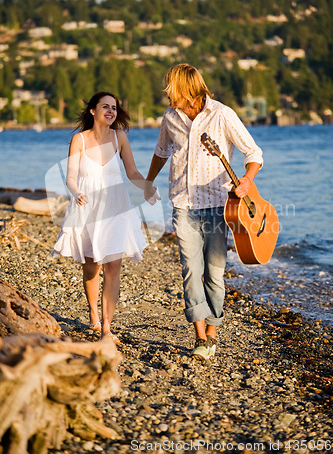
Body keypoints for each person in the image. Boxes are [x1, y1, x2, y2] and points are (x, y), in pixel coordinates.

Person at [144, 64, 263, 360]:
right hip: (183, 205)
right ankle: (200, 337)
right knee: (190, 271)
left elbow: (254, 153)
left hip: (219, 207)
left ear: (186, 89)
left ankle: (213, 330)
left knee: (215, 275)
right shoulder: (170, 117)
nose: (167, 96)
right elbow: (161, 152)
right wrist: (147, 182)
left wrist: (247, 180)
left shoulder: (221, 114)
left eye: (170, 89)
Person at [53, 91, 159, 342]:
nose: (111, 111)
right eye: (105, 107)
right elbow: (70, 176)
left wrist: (147, 186)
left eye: (114, 107)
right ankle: (93, 315)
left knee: (113, 267)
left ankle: (107, 328)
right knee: (91, 267)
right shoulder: (79, 140)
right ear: (93, 111)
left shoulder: (119, 137)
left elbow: (132, 171)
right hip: (88, 206)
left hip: (116, 207)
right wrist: (77, 192)